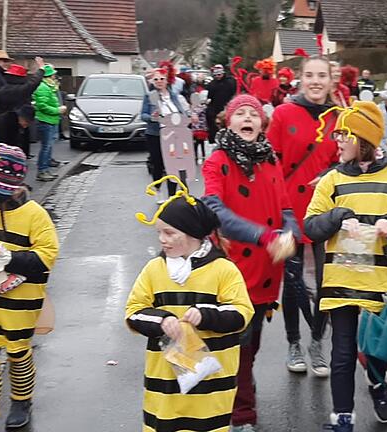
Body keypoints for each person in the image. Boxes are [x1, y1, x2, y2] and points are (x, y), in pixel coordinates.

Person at [305, 100, 387, 431]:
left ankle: (378, 385)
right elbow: (311, 225)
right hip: (341, 282)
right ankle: (343, 416)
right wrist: (338, 216)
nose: (337, 140)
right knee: (342, 353)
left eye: (344, 133)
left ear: (363, 139)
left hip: (382, 284)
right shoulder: (332, 181)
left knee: (376, 350)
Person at [201, 94, 298, 432]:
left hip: (269, 270)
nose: (247, 118)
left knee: (252, 340)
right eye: (239, 113)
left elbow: (285, 208)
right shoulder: (217, 161)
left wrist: (291, 234)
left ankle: (241, 380)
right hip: (233, 268)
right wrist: (264, 236)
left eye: (253, 114)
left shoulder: (270, 160)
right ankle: (243, 414)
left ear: (262, 123)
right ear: (228, 122)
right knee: (239, 342)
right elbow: (215, 211)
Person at [126, 183, 254, 432]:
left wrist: (206, 315)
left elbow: (241, 312)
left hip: (211, 387)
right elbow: (133, 311)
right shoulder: (154, 269)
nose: (163, 240)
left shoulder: (222, 269)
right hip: (164, 386)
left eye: (169, 233)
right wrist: (161, 320)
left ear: (192, 233)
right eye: (159, 233)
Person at [266, 56, 338, 377]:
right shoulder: (283, 113)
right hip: (289, 211)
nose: (315, 81)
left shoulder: (340, 117)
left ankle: (317, 342)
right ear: (300, 79)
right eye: (310, 75)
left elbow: (347, 160)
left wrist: (331, 172)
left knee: (327, 282)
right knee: (293, 282)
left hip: (326, 211)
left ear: (331, 80)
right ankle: (294, 342)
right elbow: (270, 163)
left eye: (322, 75)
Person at [0, 143, 58, 432]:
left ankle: (21, 399)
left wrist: (11, 259)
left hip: (22, 297)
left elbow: (46, 255)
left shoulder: (35, 214)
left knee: (18, 351)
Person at [141, 69, 192, 201]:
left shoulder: (173, 95)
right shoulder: (150, 96)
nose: (159, 82)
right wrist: (152, 118)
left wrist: (187, 117)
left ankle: (172, 195)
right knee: (158, 164)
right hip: (155, 135)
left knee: (173, 165)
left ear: (167, 80)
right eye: (156, 79)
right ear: (152, 81)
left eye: (162, 79)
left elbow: (181, 111)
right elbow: (143, 115)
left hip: (174, 134)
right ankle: (158, 190)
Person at [32, 65, 66, 182]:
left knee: (48, 146)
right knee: (46, 147)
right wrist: (58, 110)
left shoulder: (48, 86)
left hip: (50, 120)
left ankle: (45, 170)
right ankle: (42, 171)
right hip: (45, 120)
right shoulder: (43, 87)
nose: (55, 76)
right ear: (49, 75)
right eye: (53, 74)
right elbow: (42, 106)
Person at [205, 64, 237, 143]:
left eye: (219, 74)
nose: (218, 76)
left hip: (227, 105)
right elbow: (209, 96)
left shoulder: (230, 81)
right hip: (215, 106)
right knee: (212, 120)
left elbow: (233, 91)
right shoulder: (212, 84)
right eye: (216, 75)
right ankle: (214, 138)